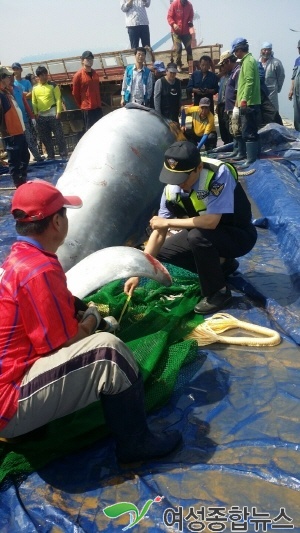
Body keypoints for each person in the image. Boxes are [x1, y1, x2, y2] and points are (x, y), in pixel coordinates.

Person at [0, 180, 181, 463]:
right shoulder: (39, 269)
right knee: (109, 353)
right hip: (8, 402)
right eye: (64, 214)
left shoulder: (17, 258)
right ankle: (136, 443)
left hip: (8, 382)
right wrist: (93, 320)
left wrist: (80, 313)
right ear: (57, 222)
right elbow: (64, 343)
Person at [124, 141, 257, 314]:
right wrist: (138, 272)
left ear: (198, 168)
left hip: (238, 236)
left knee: (197, 236)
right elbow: (158, 233)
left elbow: (211, 222)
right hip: (208, 235)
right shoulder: (171, 189)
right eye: (173, 177)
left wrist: (168, 222)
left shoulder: (218, 175)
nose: (179, 183)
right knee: (163, 254)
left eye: (183, 178)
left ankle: (218, 293)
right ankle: (223, 265)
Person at [231, 37, 261, 168]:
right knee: (251, 130)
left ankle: (251, 159)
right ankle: (253, 157)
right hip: (250, 101)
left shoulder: (248, 61)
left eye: (235, 51)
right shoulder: (247, 61)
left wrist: (244, 100)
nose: (235, 54)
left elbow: (249, 82)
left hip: (249, 102)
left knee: (248, 132)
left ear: (239, 49)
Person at [0, 66, 30, 187]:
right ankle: (19, 184)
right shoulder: (1, 95)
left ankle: (22, 179)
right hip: (11, 133)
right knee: (15, 161)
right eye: (7, 76)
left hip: (19, 131)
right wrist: (4, 131)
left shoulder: (7, 92)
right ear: (1, 78)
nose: (10, 78)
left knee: (24, 157)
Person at [32, 66, 68, 159]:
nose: (45, 76)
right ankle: (51, 156)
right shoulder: (35, 88)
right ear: (38, 77)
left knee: (59, 136)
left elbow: (58, 99)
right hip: (41, 116)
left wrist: (58, 112)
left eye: (46, 74)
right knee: (46, 138)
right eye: (42, 75)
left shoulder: (53, 85)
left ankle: (63, 154)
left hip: (53, 114)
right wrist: (35, 113)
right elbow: (34, 101)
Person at [11, 71, 44, 162]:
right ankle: (21, 161)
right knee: (18, 143)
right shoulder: (6, 92)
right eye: (9, 76)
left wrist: (32, 116)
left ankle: (37, 157)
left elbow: (25, 104)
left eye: (12, 76)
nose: (11, 78)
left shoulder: (18, 89)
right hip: (13, 122)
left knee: (30, 140)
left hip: (24, 119)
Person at [72, 51, 103, 132]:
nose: (90, 60)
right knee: (90, 131)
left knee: (101, 128)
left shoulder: (95, 73)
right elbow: (75, 93)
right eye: (87, 59)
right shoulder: (78, 75)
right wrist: (82, 105)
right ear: (82, 60)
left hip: (97, 107)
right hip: (88, 108)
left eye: (91, 59)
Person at [167, 0, 194, 73]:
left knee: (189, 49)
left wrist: (190, 22)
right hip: (176, 32)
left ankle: (190, 66)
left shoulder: (189, 5)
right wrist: (173, 24)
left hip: (186, 32)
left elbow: (191, 16)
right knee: (179, 48)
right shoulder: (175, 4)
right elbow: (169, 16)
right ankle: (178, 65)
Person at [258, 42, 285, 113]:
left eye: (268, 50)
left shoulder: (276, 62)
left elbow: (281, 77)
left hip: (271, 91)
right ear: (261, 50)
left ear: (271, 51)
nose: (266, 52)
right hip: (259, 91)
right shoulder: (257, 62)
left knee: (273, 111)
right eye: (265, 50)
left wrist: (277, 88)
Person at [216, 52, 233, 145]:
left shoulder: (233, 75)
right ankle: (226, 143)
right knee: (222, 126)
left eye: (223, 65)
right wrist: (218, 105)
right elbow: (220, 93)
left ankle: (231, 144)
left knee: (229, 126)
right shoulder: (222, 78)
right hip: (221, 105)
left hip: (229, 105)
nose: (223, 67)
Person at [288, 40, 300, 132]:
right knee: (297, 114)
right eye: (299, 48)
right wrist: (291, 90)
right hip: (297, 92)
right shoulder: (297, 60)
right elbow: (293, 77)